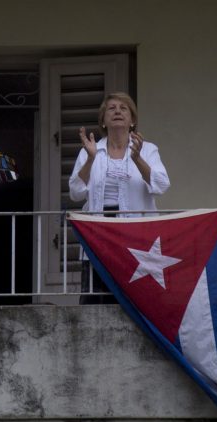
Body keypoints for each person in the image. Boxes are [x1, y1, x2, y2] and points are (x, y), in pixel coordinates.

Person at [68, 92, 170, 304]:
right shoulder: (89, 150)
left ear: (132, 120)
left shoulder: (148, 149)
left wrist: (137, 158)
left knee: (137, 301)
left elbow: (161, 185)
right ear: (103, 120)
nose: (117, 111)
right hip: (99, 233)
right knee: (96, 301)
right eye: (111, 108)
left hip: (136, 237)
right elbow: (76, 192)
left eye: (123, 108)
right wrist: (90, 159)